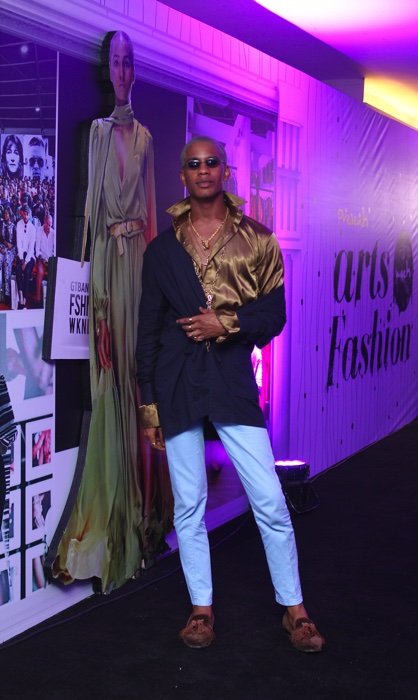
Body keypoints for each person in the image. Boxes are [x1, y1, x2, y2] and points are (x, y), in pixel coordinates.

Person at [136, 136, 325, 653]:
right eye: (193, 163)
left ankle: (294, 610)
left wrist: (227, 323)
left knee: (269, 500)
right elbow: (147, 331)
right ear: (183, 175)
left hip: (231, 380)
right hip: (176, 383)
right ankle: (201, 610)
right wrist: (148, 405)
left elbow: (274, 314)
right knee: (189, 505)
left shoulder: (258, 240)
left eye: (212, 162)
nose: (203, 170)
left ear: (226, 170)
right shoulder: (162, 250)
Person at [52, 31, 173, 593]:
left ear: (134, 71)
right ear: (108, 70)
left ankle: (144, 515)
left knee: (139, 383)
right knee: (111, 388)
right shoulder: (98, 134)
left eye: (127, 62)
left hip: (138, 270)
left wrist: (156, 295)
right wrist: (96, 303)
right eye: (114, 62)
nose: (121, 71)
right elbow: (90, 221)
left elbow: (150, 218)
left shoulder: (146, 138)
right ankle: (112, 522)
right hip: (107, 269)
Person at [14, 204, 36, 309]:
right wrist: (22, 260)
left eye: (27, 214)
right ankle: (21, 298)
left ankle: (25, 300)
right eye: (24, 214)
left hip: (30, 256)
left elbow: (31, 248)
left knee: (27, 272)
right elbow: (19, 244)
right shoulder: (18, 225)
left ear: (29, 215)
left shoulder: (33, 228)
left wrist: (26, 261)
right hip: (21, 254)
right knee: (18, 270)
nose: (25, 216)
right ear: (22, 214)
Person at [34, 213, 55, 306]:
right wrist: (42, 259)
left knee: (54, 272)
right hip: (41, 259)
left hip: (51, 260)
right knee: (40, 272)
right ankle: (38, 299)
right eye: (47, 224)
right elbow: (37, 249)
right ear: (44, 221)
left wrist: (51, 260)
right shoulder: (39, 231)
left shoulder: (54, 233)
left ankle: (51, 300)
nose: (48, 227)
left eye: (50, 225)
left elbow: (55, 250)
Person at [0, 206, 17, 305]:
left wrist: (7, 248)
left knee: (7, 262)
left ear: (10, 214)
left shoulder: (13, 226)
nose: (5, 215)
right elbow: (0, 238)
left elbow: (14, 243)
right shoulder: (1, 224)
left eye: (7, 213)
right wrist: (3, 246)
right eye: (4, 213)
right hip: (2, 247)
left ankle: (7, 293)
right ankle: (0, 290)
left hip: (10, 250)